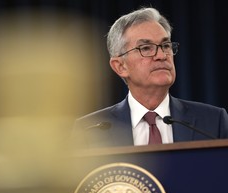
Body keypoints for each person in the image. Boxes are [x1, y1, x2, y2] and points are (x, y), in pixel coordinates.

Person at [70, 7, 228, 148]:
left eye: (165, 45)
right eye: (146, 48)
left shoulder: (213, 122)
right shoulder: (89, 130)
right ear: (120, 66)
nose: (161, 55)